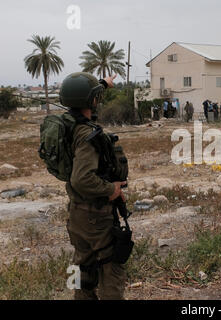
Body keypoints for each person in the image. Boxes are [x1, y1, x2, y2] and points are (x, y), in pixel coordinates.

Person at [59, 72, 128, 300]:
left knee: (83, 269)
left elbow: (81, 92)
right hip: (96, 216)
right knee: (112, 269)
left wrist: (103, 84)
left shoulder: (68, 125)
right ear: (90, 101)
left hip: (78, 213)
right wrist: (112, 190)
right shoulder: (87, 135)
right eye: (96, 96)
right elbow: (83, 179)